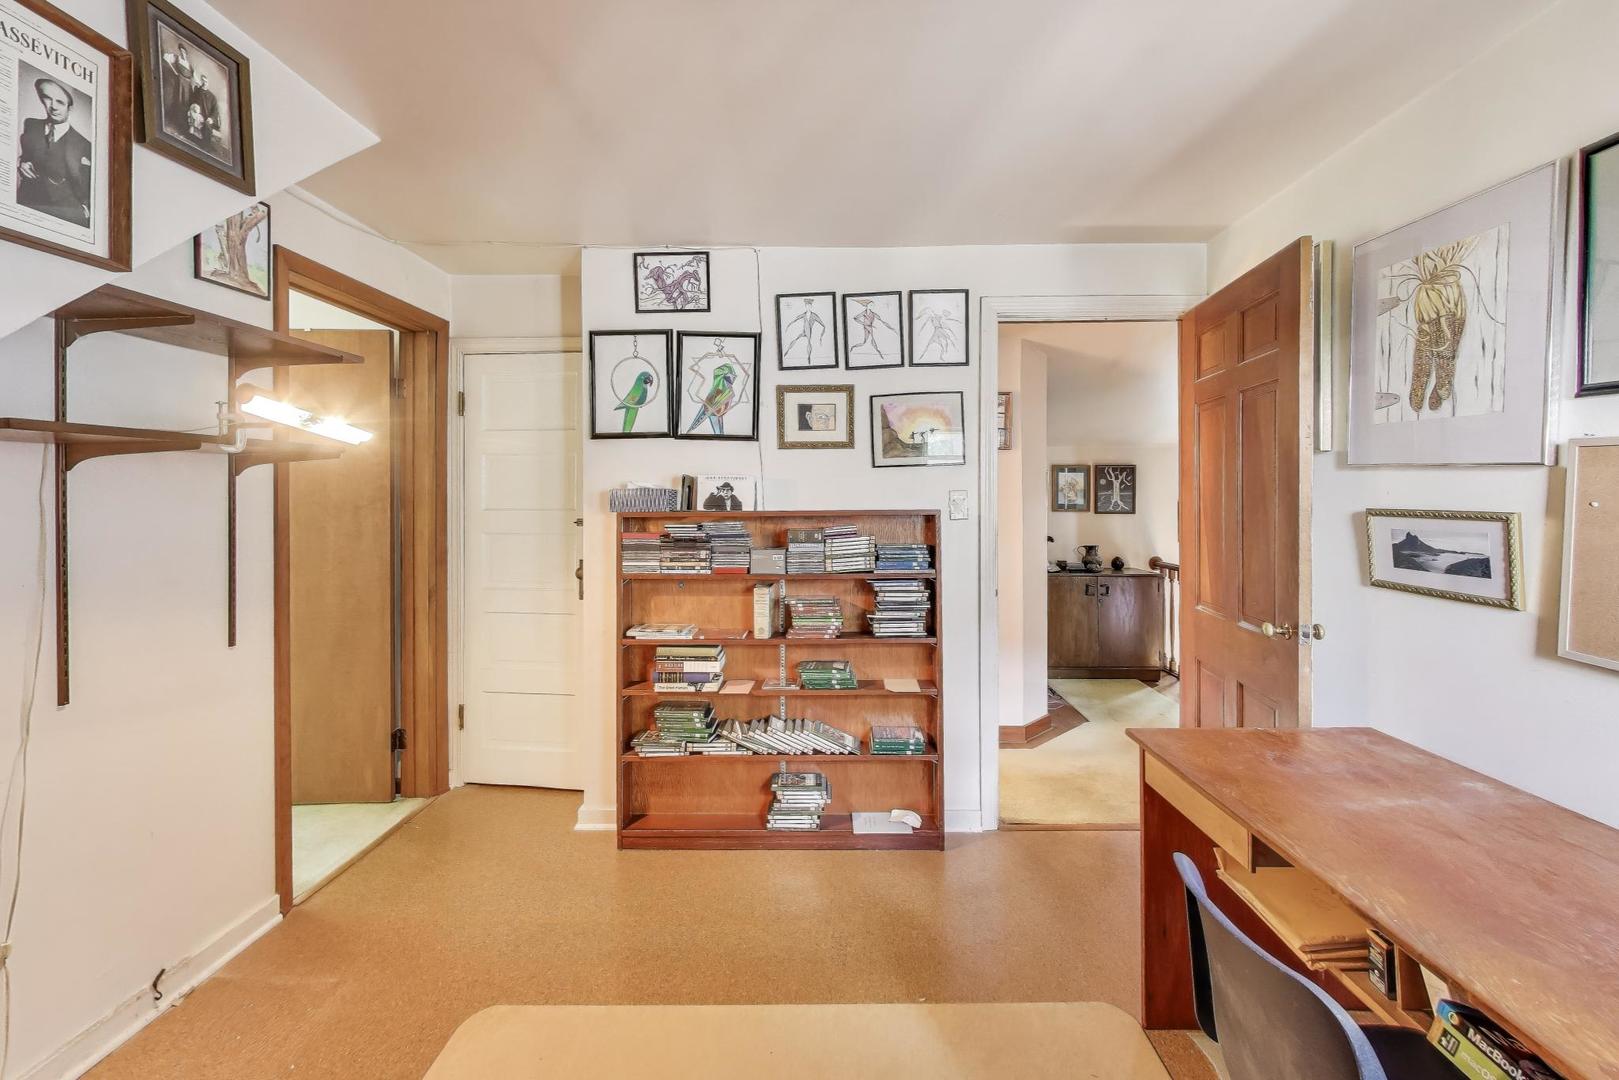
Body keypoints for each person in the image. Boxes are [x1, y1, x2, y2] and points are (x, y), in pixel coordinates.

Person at [16, 77, 91, 226]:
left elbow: (87, 183)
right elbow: (26, 155)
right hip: (26, 204)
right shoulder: (31, 124)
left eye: (60, 102)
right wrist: (21, 163)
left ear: (70, 108)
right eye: (47, 99)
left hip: (64, 212)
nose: (53, 107)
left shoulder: (84, 144)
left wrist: (85, 208)